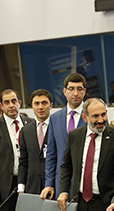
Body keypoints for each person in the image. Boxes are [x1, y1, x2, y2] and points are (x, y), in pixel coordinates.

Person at [57, 98, 114, 211]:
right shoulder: (75, 136)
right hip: (78, 204)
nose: (101, 120)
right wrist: (63, 191)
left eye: (103, 114)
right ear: (85, 117)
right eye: (95, 116)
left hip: (105, 205)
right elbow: (66, 166)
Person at [0, 89, 34, 211]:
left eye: (13, 101)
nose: (11, 105)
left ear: (19, 103)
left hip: (29, 184)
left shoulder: (31, 123)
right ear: (1, 106)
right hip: (4, 187)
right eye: (6, 102)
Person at [41, 72, 87, 200]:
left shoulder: (91, 117)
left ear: (84, 91)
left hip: (84, 183)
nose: (75, 93)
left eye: (79, 89)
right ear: (64, 91)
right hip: (60, 183)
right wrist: (49, 184)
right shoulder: (55, 118)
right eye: (71, 89)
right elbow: (51, 154)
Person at [18, 89, 52, 195]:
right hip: (31, 187)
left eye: (44, 103)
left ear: (50, 105)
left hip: (52, 187)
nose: (40, 107)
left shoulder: (58, 128)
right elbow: (23, 161)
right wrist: (21, 187)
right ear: (32, 106)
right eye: (36, 103)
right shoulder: (25, 130)